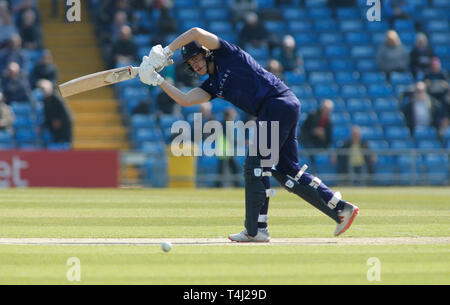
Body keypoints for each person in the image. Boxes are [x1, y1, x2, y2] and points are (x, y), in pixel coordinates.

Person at [137, 27, 359, 242]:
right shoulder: (212, 85)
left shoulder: (227, 53)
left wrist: (167, 51)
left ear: (206, 53)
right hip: (281, 106)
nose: (195, 65)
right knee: (287, 171)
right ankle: (341, 209)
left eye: (197, 59)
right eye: (191, 64)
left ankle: (256, 230)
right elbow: (185, 100)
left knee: (256, 165)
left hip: (276, 104)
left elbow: (195, 32)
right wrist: (159, 80)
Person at [37, 79, 73, 144]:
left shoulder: (57, 99)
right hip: (54, 130)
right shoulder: (45, 101)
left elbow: (65, 114)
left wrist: (58, 120)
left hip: (63, 128)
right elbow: (47, 116)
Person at [216, 107, 241, 188]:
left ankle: (219, 185)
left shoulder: (226, 123)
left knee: (226, 168)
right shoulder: (226, 124)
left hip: (225, 149)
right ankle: (235, 185)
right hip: (225, 149)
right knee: (228, 168)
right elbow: (229, 138)